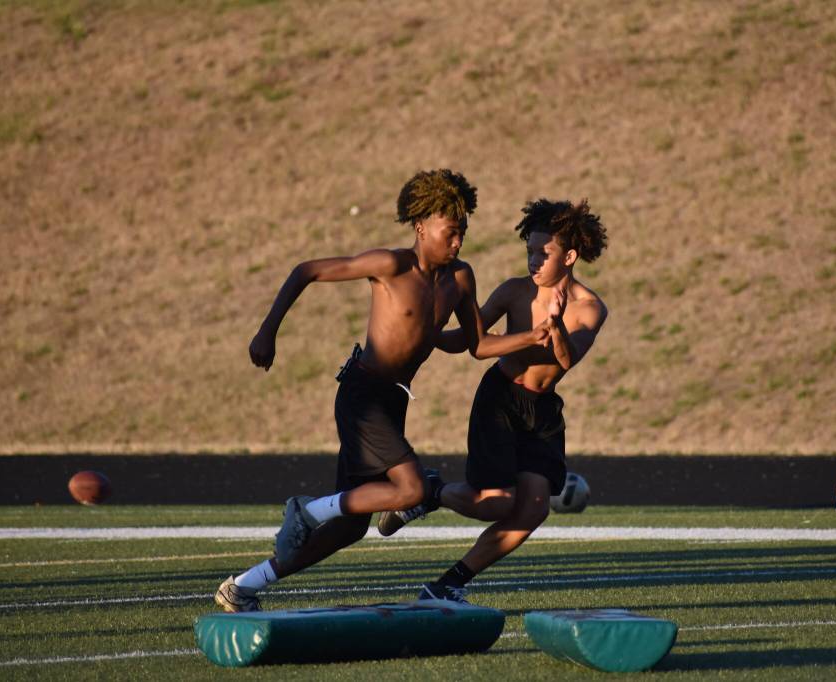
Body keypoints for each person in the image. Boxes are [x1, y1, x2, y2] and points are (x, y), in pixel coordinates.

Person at [214, 169, 551, 612]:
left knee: (350, 529)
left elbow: (478, 345)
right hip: (362, 394)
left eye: (463, 232)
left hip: (393, 401)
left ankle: (243, 586)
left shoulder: (461, 278)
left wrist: (529, 338)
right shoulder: (391, 265)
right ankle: (308, 510)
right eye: (450, 232)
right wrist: (266, 332)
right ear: (420, 227)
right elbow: (306, 271)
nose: (458, 242)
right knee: (411, 490)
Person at [377, 198, 608, 603]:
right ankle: (430, 493)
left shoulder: (590, 308)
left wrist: (554, 328)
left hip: (543, 411)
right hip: (500, 399)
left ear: (570, 256)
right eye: (530, 251)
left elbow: (567, 360)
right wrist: (424, 333)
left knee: (533, 510)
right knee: (497, 504)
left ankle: (446, 585)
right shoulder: (514, 292)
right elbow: (470, 339)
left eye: (544, 253)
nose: (534, 260)